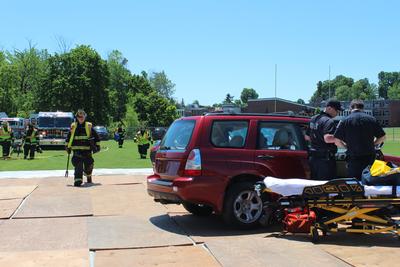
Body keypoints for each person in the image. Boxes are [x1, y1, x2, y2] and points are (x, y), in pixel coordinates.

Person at [334, 99, 386, 180]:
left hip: (353, 158)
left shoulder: (344, 121)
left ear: (351, 108)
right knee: (369, 182)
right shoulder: (371, 119)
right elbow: (382, 137)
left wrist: (346, 147)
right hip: (369, 157)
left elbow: (336, 140)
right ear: (363, 108)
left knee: (354, 184)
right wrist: (373, 144)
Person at [306, 100, 343, 180]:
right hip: (325, 160)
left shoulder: (313, 119)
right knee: (327, 186)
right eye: (337, 110)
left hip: (313, 159)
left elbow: (307, 137)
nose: (338, 113)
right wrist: (341, 140)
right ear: (329, 108)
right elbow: (328, 138)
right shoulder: (329, 121)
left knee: (315, 185)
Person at [66, 110, 100, 186]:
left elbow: (97, 137)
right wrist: (67, 147)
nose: (81, 118)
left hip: (87, 151)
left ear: (85, 117)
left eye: (82, 116)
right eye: (79, 117)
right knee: (78, 165)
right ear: (76, 117)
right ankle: (78, 179)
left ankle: (88, 175)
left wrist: (97, 146)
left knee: (89, 165)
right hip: (76, 152)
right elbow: (68, 137)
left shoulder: (89, 126)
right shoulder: (73, 126)